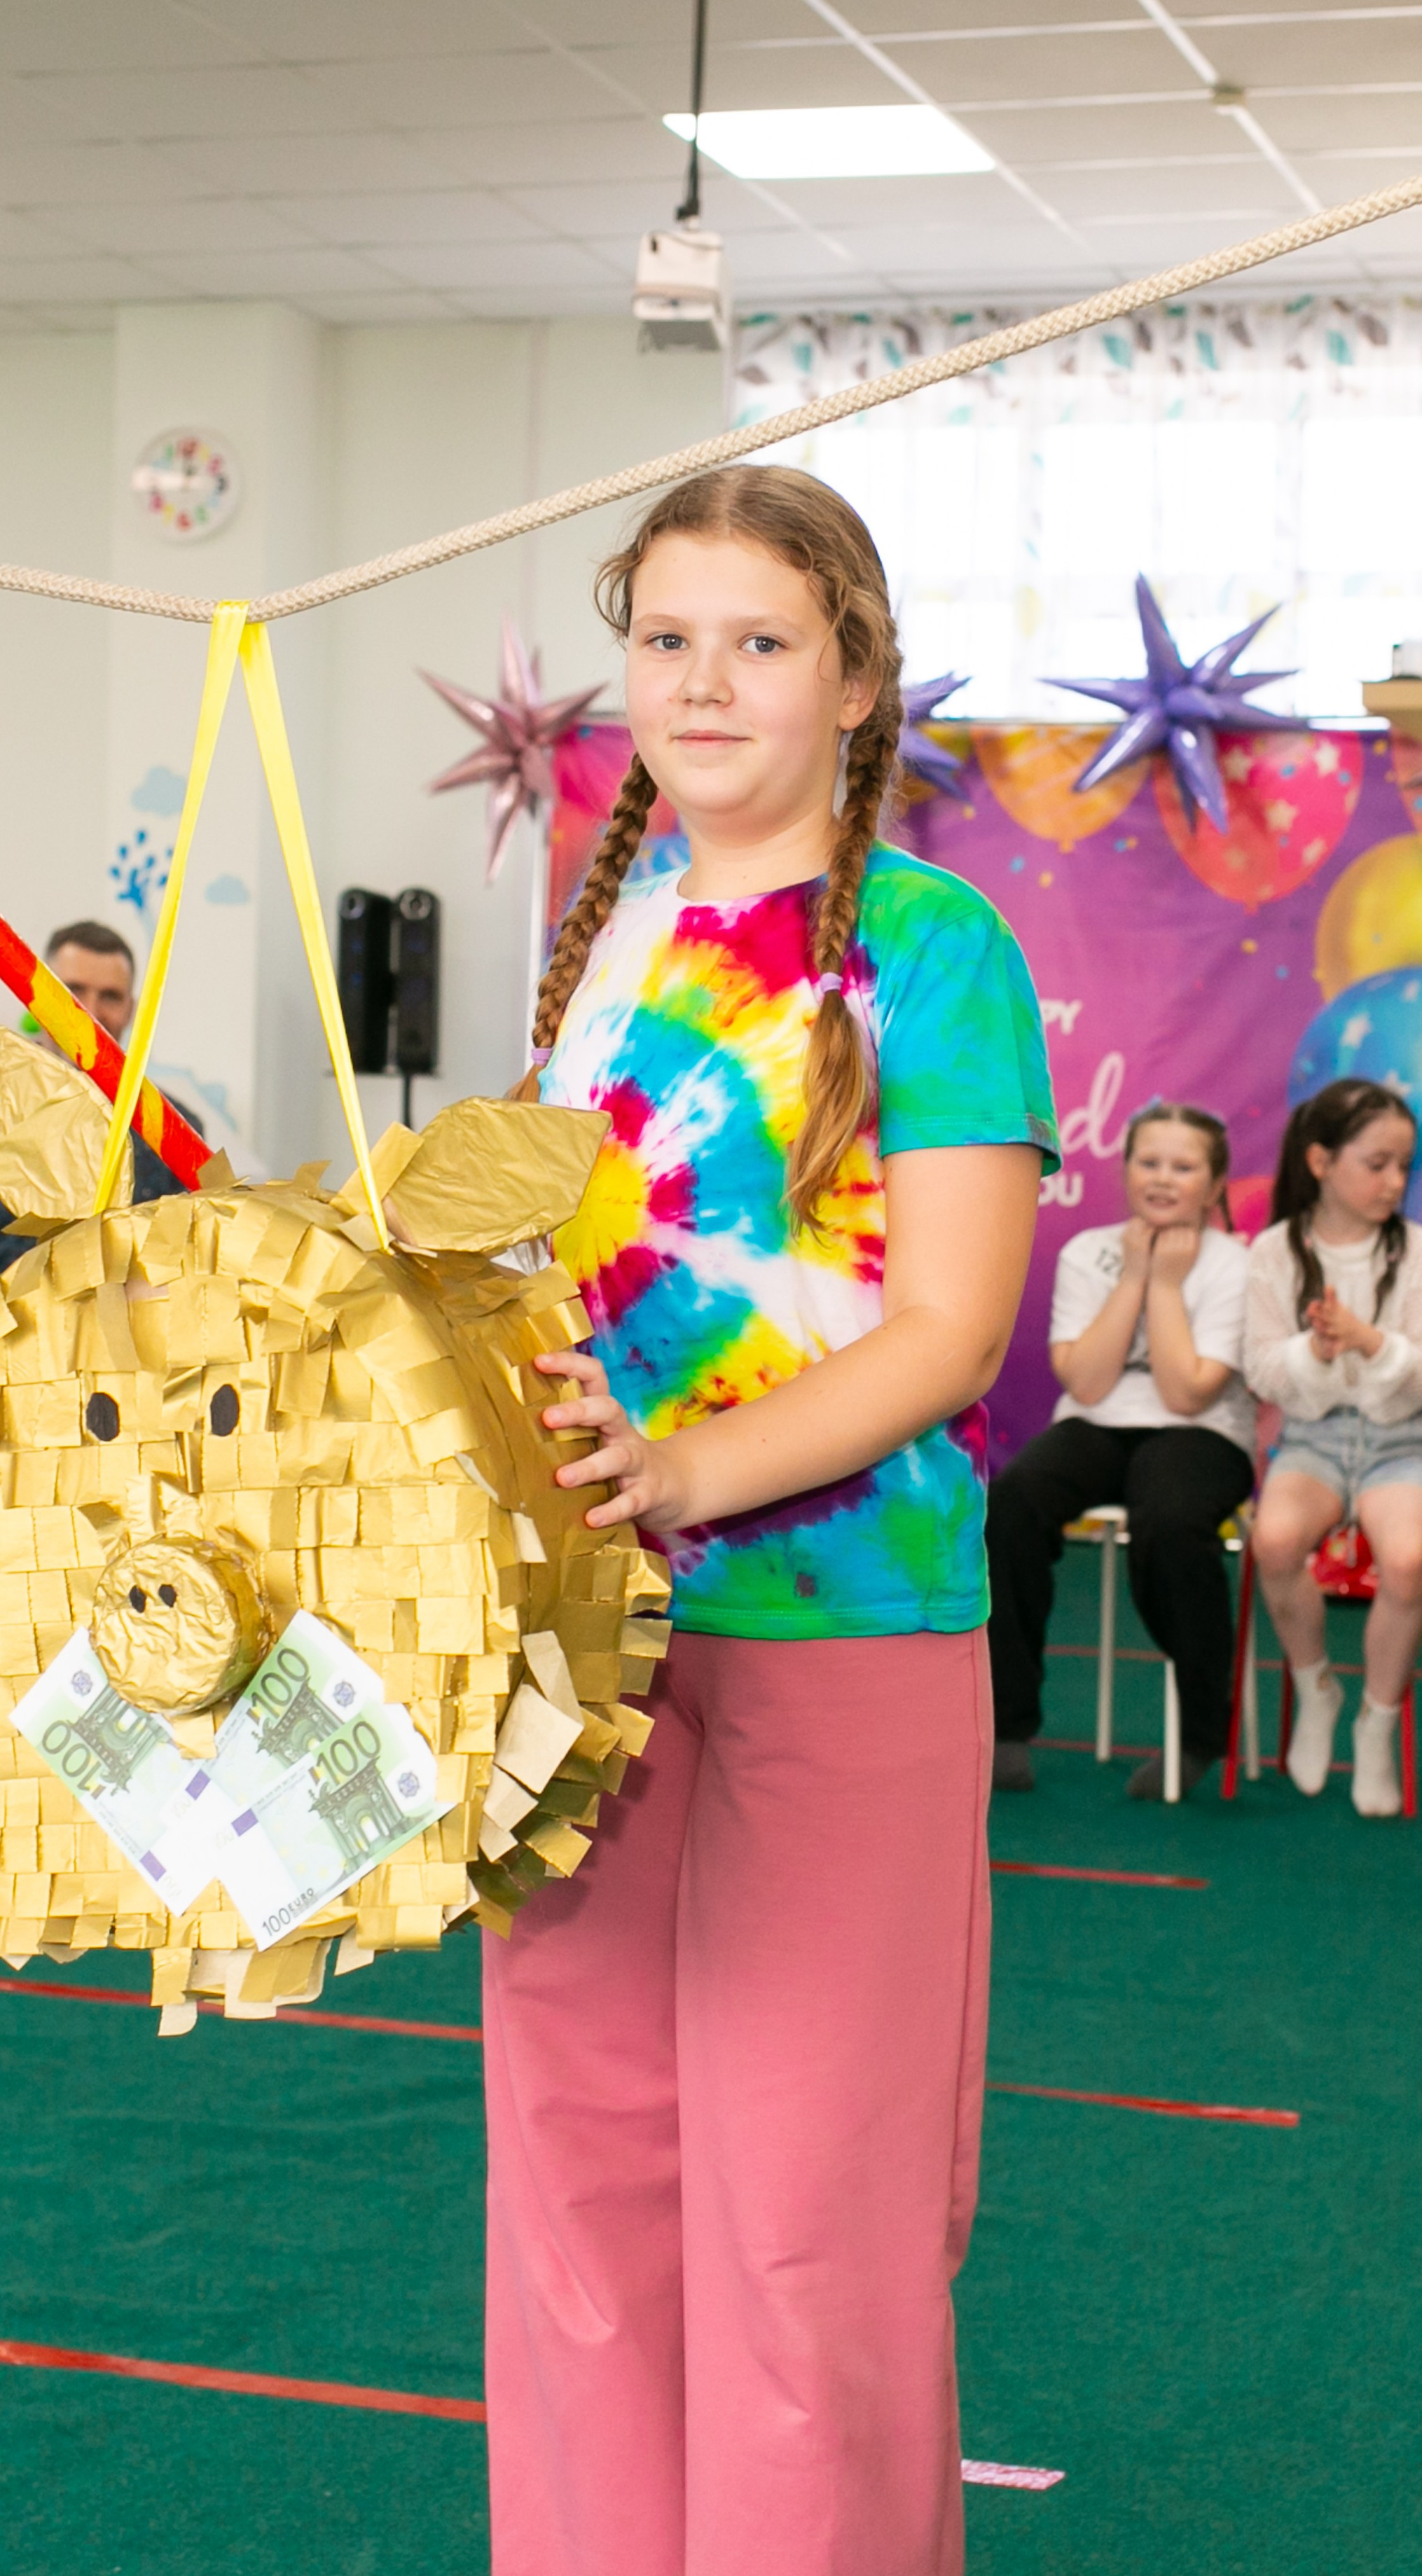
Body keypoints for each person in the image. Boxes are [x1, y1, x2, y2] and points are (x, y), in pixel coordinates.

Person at [490, 464, 1056, 2576]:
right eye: (663, 637)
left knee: (805, 2222)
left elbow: (952, 1325)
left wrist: (691, 1473)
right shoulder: (593, 949)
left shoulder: (932, 946)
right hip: (582, 1660)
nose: (703, 679)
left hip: (847, 1636)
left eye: (756, 638)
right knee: (582, 2202)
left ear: (849, 675)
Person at [984, 1103, 1254, 1800]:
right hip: (1099, 1420)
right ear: (1125, 1168)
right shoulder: (1088, 1252)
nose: (1163, 1179)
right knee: (1012, 1501)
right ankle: (1006, 1725)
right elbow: (1085, 1379)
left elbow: (1189, 1393)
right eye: (1149, 1162)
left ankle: (1198, 1735)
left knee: (1168, 1518)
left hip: (1201, 1435)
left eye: (1184, 1167)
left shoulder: (1235, 1263)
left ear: (1214, 1180)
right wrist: (1134, 1274)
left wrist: (1165, 1284)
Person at [1244, 1078, 1422, 1817]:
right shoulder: (1274, 1252)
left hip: (1400, 1442)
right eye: (1376, 1163)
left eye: (1403, 1167)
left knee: (1410, 1559)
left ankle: (1376, 1721)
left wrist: (1371, 1342)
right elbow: (1261, 1370)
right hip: (1312, 1440)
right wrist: (1318, 1353)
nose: (1393, 1182)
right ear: (1319, 1161)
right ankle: (1315, 1683)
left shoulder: (1412, 1251)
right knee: (1275, 1540)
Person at [0, 919, 198, 1313]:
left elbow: (181, 1272)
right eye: (72, 992)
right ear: (37, 996)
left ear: (131, 1009)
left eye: (110, 997)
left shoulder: (170, 1129)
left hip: (124, 1356)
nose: (89, 1013)